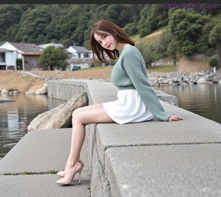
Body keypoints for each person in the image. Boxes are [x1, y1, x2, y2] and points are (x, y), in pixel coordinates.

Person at [56, 20, 183, 186]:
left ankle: (72, 165)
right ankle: (72, 164)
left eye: (104, 36)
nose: (105, 43)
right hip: (126, 102)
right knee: (77, 113)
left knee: (79, 118)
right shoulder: (125, 52)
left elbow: (143, 85)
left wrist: (162, 115)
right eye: (100, 42)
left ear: (113, 31)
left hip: (131, 106)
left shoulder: (129, 53)